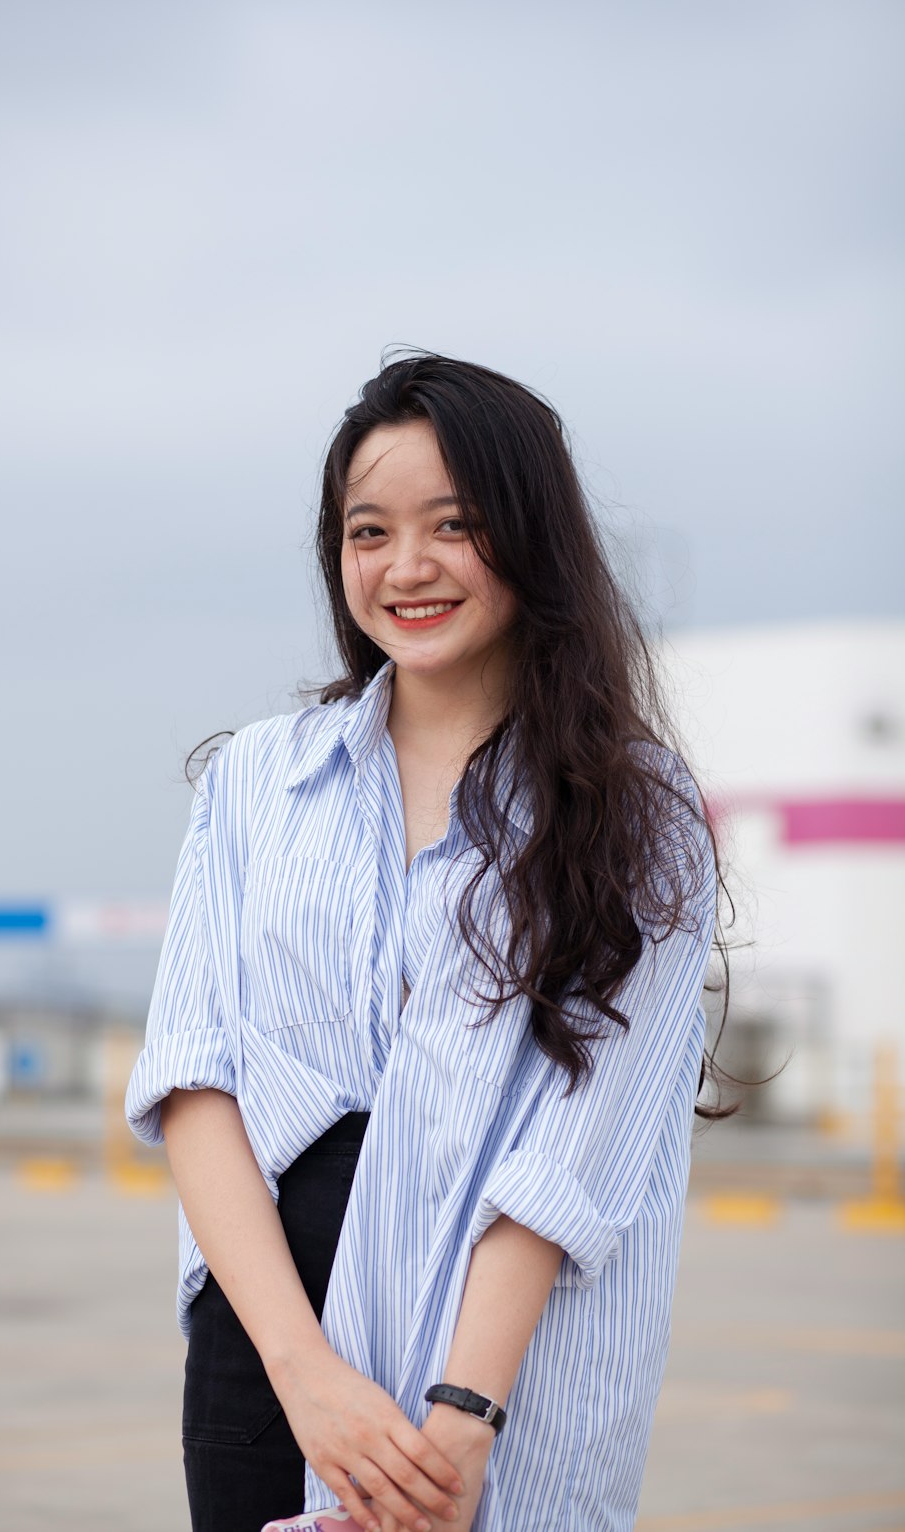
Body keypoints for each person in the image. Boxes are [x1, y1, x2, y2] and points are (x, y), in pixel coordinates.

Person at [125, 350, 734, 1532]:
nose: (406, 567)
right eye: (369, 531)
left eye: (452, 525)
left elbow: (576, 1153)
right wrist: (304, 1382)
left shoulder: (636, 815)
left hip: (508, 1379)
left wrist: (460, 1417)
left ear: (531, 536)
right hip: (266, 1359)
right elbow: (194, 1082)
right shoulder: (257, 782)